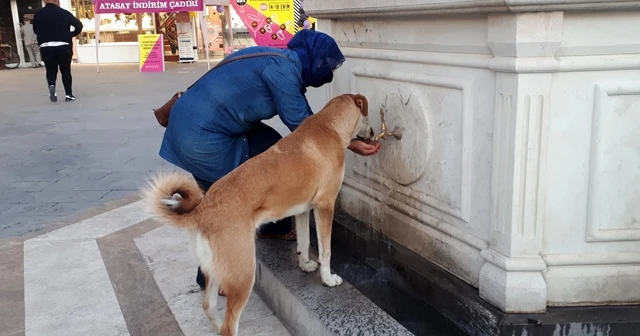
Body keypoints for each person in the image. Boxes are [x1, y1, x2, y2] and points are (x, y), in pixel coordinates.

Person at [158, 29, 381, 292]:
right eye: (325, 63)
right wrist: (350, 141)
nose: (327, 71)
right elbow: (303, 122)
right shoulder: (284, 72)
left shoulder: (279, 58)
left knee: (269, 146)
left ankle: (271, 224)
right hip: (203, 136)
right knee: (227, 202)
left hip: (193, 124)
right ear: (312, 58)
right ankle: (211, 275)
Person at [32, 0, 83, 102]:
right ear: (56, 1)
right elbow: (78, 25)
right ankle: (68, 95)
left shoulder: (38, 14)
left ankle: (52, 86)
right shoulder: (64, 13)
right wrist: (70, 34)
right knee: (65, 71)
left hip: (46, 46)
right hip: (63, 45)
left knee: (51, 70)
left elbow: (35, 30)